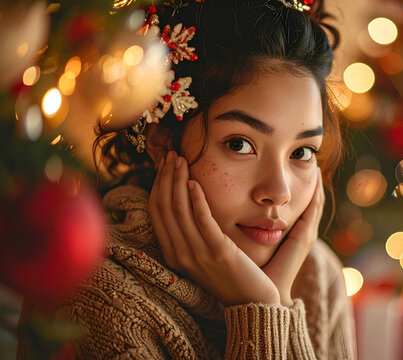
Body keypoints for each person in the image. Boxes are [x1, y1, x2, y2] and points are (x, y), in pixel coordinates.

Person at [17, 0, 356, 358]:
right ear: (162, 142)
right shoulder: (92, 295)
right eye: (240, 144)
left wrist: (274, 301)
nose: (279, 193)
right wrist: (262, 309)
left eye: (302, 153)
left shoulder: (316, 274)